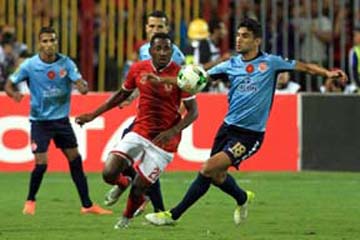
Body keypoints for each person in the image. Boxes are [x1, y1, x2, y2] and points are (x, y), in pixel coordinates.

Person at [145, 18, 347, 226]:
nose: (239, 40)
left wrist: (328, 73)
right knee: (216, 176)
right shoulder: (230, 65)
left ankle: (172, 215)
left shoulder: (270, 63)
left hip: (250, 135)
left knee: (207, 168)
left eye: (245, 36)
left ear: (257, 41)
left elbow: (304, 67)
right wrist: (162, 80)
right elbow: (193, 79)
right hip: (227, 128)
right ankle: (242, 198)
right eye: (238, 35)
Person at [75, 33, 199, 228]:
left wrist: (173, 131)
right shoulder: (137, 69)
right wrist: (93, 115)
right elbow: (120, 95)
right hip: (140, 131)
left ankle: (125, 219)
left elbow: (193, 112)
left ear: (172, 51)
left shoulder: (180, 75)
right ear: (150, 52)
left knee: (140, 187)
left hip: (163, 143)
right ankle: (122, 183)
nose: (163, 53)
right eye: (158, 48)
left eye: (167, 49)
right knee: (109, 172)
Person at [4, 26, 112, 216]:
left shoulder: (66, 63)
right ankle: (30, 201)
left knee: (75, 160)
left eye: (52, 40)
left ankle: (87, 205)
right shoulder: (30, 65)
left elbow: (80, 82)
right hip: (40, 122)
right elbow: (9, 84)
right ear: (39, 43)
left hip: (61, 121)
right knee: (41, 163)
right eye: (45, 41)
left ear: (57, 42)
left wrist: (82, 85)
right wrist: (14, 94)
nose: (49, 44)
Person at [105, 10, 187, 217]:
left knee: (141, 160)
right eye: (151, 26)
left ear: (167, 30)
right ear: (146, 28)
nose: (155, 30)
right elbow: (140, 81)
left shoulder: (173, 55)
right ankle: (142, 196)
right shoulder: (144, 50)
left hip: (164, 119)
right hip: (145, 115)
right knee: (133, 157)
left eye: (160, 27)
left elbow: (184, 85)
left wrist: (178, 114)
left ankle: (137, 192)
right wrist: (130, 98)